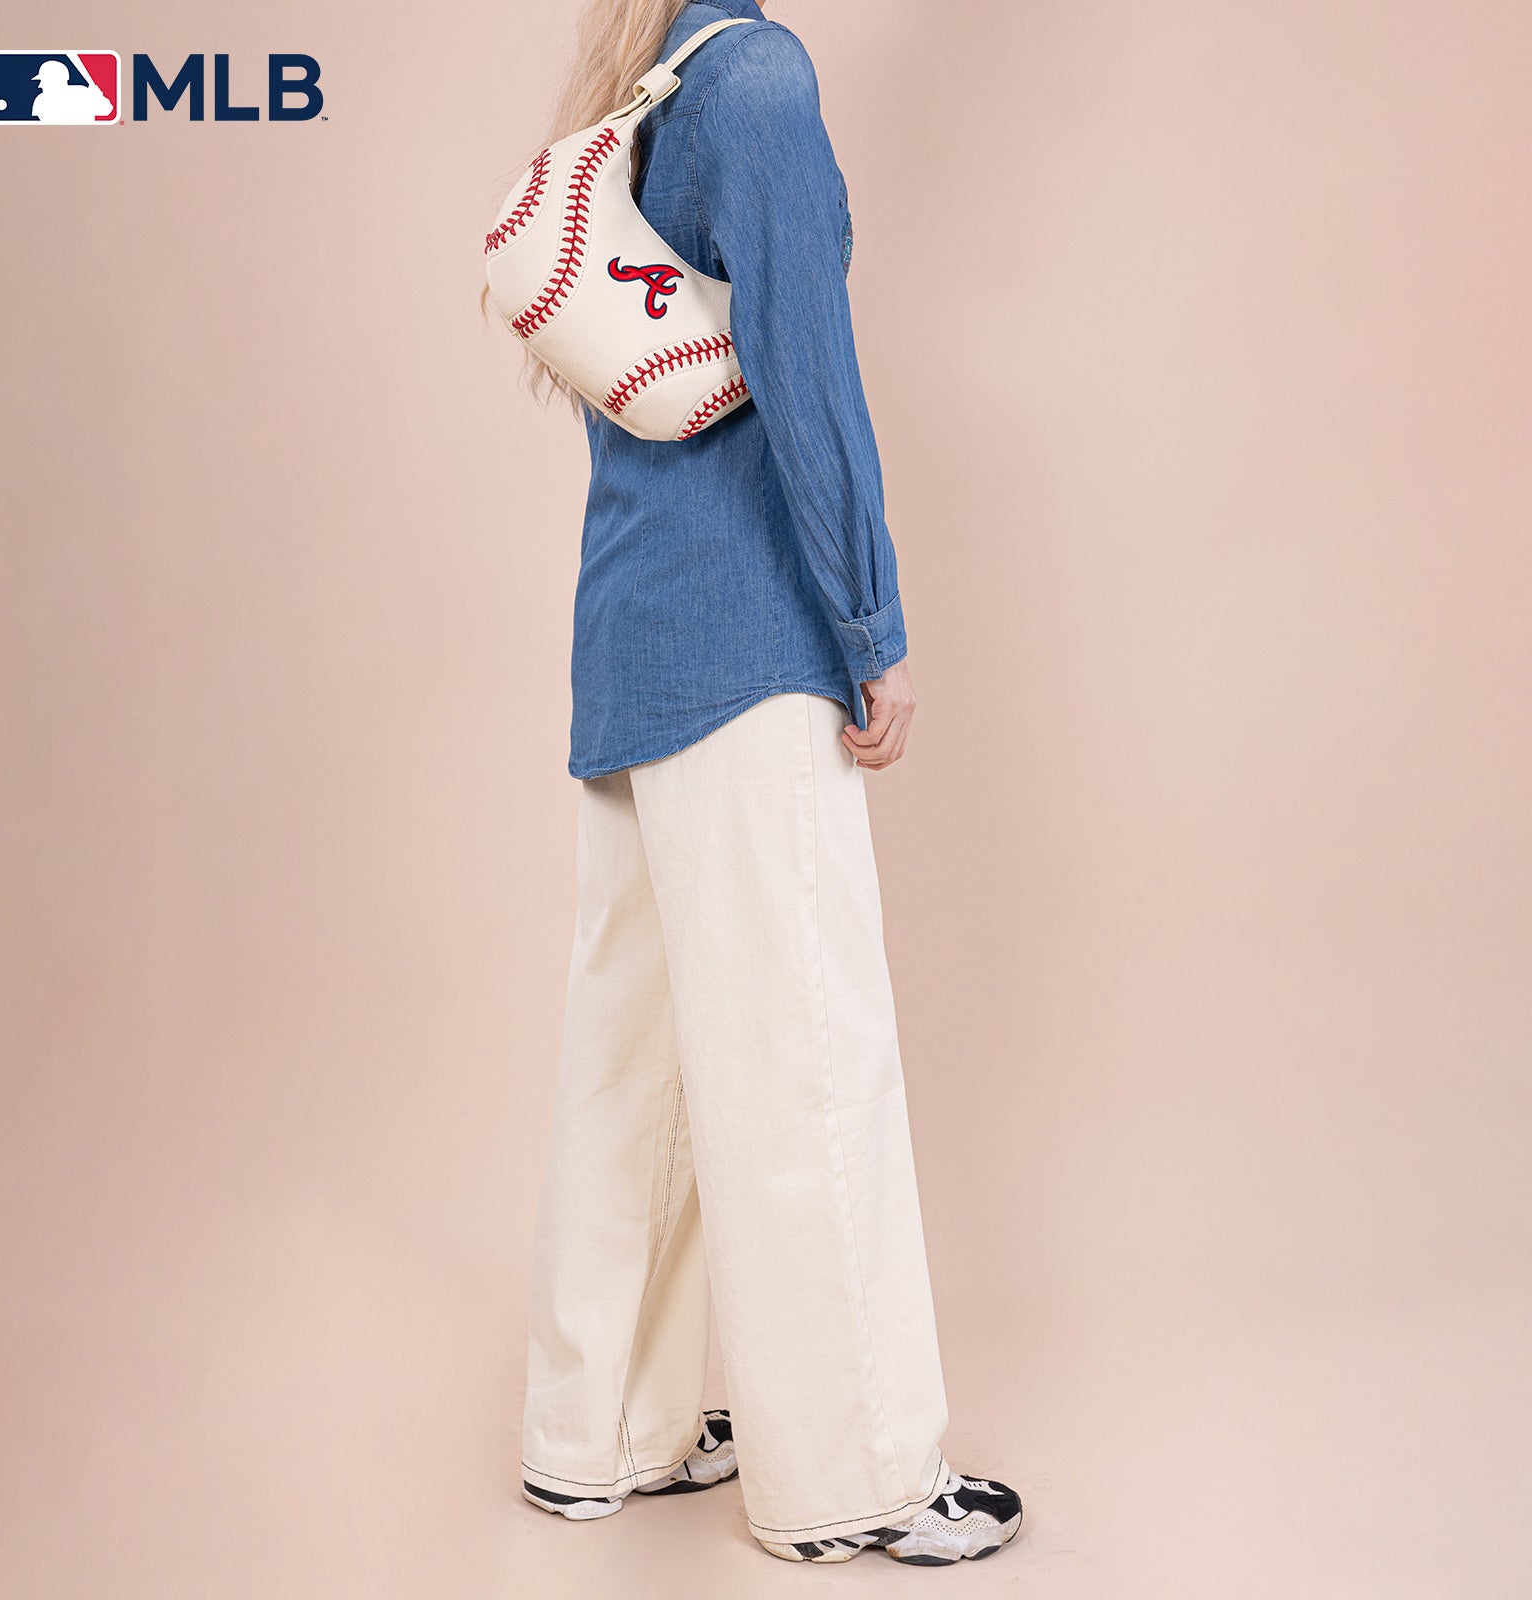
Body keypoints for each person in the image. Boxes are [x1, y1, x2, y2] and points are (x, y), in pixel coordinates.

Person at [494, 0, 1024, 1566]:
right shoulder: (758, 81)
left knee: (636, 1063)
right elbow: (804, 367)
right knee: (808, 1054)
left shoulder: (646, 81)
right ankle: (857, 1479)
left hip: (631, 638)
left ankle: (598, 1434)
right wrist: (872, 628)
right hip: (747, 644)